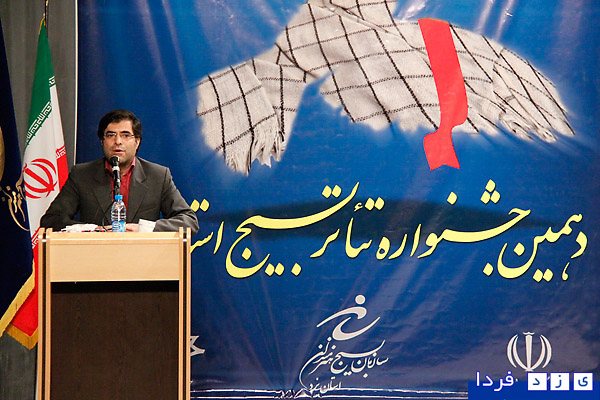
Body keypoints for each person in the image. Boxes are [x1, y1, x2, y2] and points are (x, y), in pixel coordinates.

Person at [40, 109, 199, 234]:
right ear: (102, 141)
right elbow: (51, 220)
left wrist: (143, 228)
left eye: (125, 135)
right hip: (95, 260)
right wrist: (93, 230)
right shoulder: (82, 175)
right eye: (111, 135)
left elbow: (189, 221)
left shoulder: (157, 176)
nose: (117, 141)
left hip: (144, 261)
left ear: (137, 142)